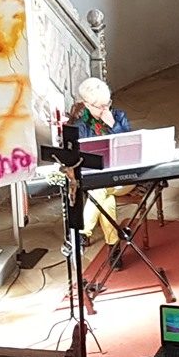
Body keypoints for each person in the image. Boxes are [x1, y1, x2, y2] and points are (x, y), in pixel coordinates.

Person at [68, 77, 133, 269]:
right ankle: (114, 248)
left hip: (124, 177)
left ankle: (82, 234)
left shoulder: (119, 116)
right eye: (100, 106)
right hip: (97, 178)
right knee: (105, 199)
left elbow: (131, 149)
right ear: (87, 105)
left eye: (108, 104)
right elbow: (78, 158)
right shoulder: (81, 127)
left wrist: (114, 126)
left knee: (100, 191)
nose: (105, 109)